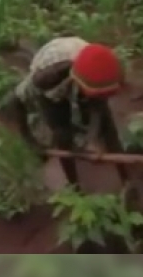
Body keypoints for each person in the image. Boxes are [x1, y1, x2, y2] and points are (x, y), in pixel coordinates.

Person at [8, 36, 129, 189]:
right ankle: (74, 186)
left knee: (108, 128)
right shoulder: (45, 78)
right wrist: (30, 140)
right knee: (63, 135)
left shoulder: (102, 68)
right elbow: (16, 100)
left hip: (81, 74)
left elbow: (101, 114)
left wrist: (94, 137)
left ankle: (126, 179)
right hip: (53, 87)